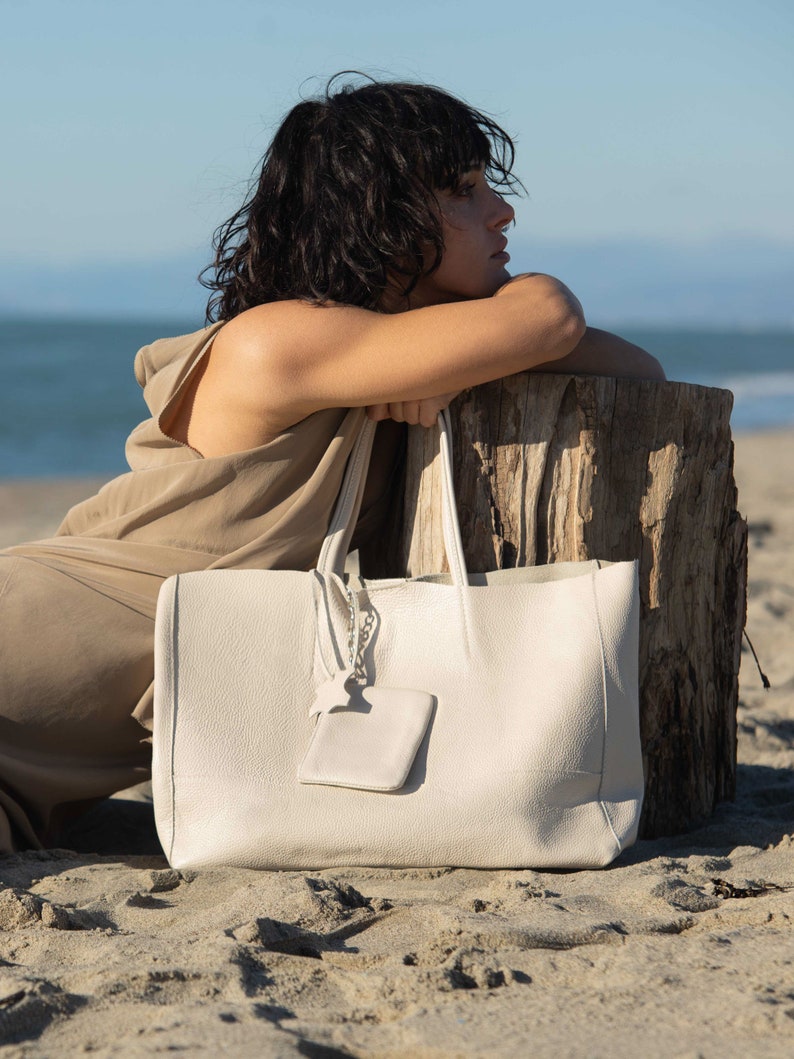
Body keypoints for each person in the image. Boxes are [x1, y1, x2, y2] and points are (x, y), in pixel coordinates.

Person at [0, 75, 664, 853]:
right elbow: (549, 314)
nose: (501, 211)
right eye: (463, 189)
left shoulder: (369, 356)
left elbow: (637, 371)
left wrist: (452, 355)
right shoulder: (279, 341)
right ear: (383, 214)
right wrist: (465, 347)